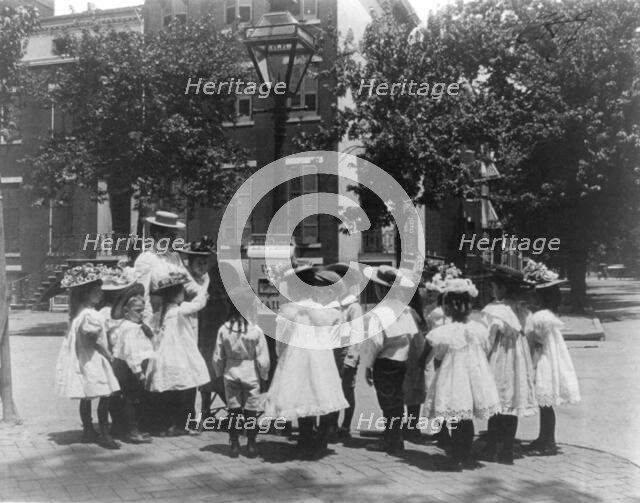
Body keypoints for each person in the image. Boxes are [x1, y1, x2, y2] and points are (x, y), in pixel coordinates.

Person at [263, 265, 348, 459]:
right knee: (321, 393)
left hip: (297, 355)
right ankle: (322, 438)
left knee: (301, 395)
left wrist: (281, 356)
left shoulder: (289, 312)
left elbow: (281, 339)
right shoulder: (327, 312)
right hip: (322, 357)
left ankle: (306, 437)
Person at [425, 277, 502, 470]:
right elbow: (486, 348)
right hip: (475, 375)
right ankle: (465, 454)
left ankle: (458, 454)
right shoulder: (478, 329)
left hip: (453, 376)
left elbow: (438, 354)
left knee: (456, 415)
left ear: (448, 307)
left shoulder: (445, 331)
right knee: (465, 417)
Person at [54, 264, 121, 449]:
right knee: (105, 394)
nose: (100, 294)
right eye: (96, 291)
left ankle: (88, 430)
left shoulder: (79, 314)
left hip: (84, 358)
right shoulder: (91, 314)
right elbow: (93, 340)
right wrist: (108, 354)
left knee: (87, 396)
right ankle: (105, 435)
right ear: (86, 293)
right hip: (93, 359)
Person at [480, 267, 538, 464]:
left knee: (495, 399)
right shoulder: (522, 310)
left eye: (494, 287)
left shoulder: (493, 310)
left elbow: (487, 339)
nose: (492, 291)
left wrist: (481, 357)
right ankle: (507, 450)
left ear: (502, 288)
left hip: (499, 358)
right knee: (512, 401)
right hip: (518, 360)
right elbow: (528, 334)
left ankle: (491, 447)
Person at [522, 260, 581, 455]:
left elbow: (538, 346)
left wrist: (532, 366)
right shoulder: (546, 314)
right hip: (551, 356)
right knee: (545, 405)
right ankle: (544, 438)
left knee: (545, 403)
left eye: (533, 294)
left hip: (544, 359)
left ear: (539, 297)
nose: (529, 297)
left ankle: (548, 441)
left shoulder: (539, 317)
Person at [145, 265, 210, 436]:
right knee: (185, 387)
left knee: (170, 390)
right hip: (179, 354)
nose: (183, 294)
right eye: (181, 291)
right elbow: (199, 303)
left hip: (165, 355)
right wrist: (205, 285)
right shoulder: (179, 310)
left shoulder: (161, 313)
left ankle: (167, 424)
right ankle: (181, 424)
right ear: (176, 294)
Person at [360, 265, 418, 455]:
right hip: (401, 361)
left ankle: (391, 440)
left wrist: (368, 365)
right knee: (397, 401)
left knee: (387, 403)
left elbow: (375, 343)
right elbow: (411, 336)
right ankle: (396, 437)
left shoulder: (380, 313)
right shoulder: (405, 310)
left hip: (384, 362)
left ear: (382, 290)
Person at [212, 285, 270, 458]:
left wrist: (218, 372)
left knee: (233, 409)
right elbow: (263, 358)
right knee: (251, 410)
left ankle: (234, 444)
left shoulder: (224, 329)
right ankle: (251, 444)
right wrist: (264, 375)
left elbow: (217, 355)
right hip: (251, 372)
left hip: (231, 372)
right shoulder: (256, 330)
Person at [323, 263, 365, 442]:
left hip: (345, 351)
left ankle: (345, 425)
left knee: (347, 389)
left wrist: (351, 358)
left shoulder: (353, 307)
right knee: (330, 389)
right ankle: (330, 425)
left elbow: (357, 334)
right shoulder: (329, 303)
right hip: (329, 351)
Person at [108, 283, 155, 444]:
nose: (141, 314)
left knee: (125, 397)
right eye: (137, 311)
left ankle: (119, 427)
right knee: (132, 399)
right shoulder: (131, 329)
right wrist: (138, 371)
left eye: (143, 310)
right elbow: (131, 352)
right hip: (129, 367)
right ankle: (132, 431)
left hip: (121, 365)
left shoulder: (128, 325)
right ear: (126, 312)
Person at [178, 236, 214, 428]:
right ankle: (187, 416)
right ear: (189, 261)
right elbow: (195, 294)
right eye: (198, 260)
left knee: (204, 371)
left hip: (206, 330)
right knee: (187, 372)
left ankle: (204, 414)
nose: (202, 264)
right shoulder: (183, 276)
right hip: (186, 328)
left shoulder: (207, 278)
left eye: (205, 260)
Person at [134, 210, 187, 322]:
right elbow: (143, 295)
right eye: (170, 234)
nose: (174, 238)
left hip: (177, 314)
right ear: (158, 234)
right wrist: (148, 325)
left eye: (175, 234)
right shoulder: (146, 259)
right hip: (157, 314)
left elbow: (185, 283)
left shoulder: (175, 258)